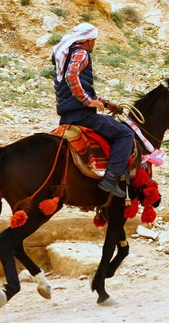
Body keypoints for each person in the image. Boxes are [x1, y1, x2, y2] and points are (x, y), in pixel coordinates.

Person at [51, 23, 133, 198]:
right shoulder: (81, 52)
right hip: (82, 115)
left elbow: (76, 85)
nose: (94, 44)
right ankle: (110, 178)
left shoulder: (64, 55)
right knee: (125, 134)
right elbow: (71, 76)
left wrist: (106, 102)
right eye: (94, 41)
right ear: (88, 41)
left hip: (67, 116)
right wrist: (87, 101)